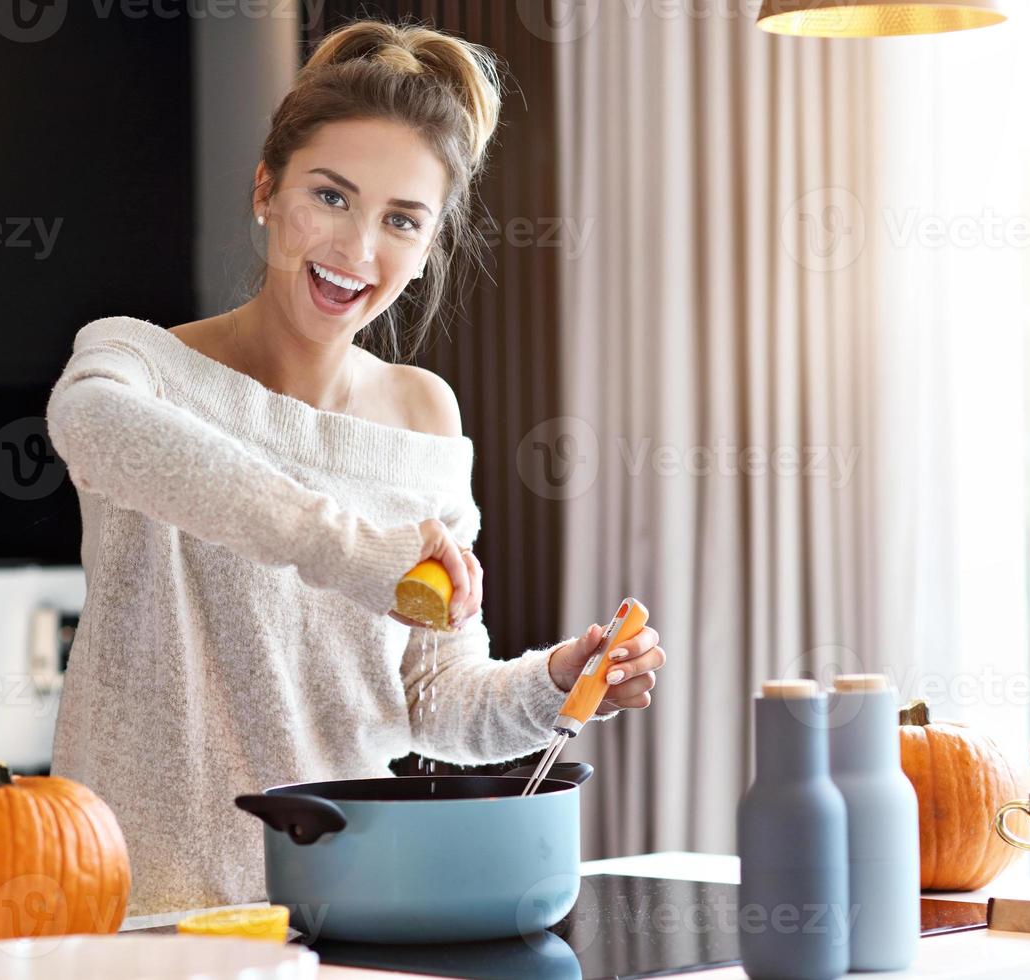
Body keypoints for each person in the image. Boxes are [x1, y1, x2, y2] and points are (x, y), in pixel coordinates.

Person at [46, 18, 666, 916]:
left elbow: (433, 699)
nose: (356, 251)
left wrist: (558, 681)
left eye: (401, 220)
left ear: (426, 248)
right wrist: (357, 551)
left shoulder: (424, 416)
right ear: (266, 189)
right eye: (330, 197)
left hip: (344, 899)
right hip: (144, 908)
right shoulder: (140, 367)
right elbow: (89, 422)